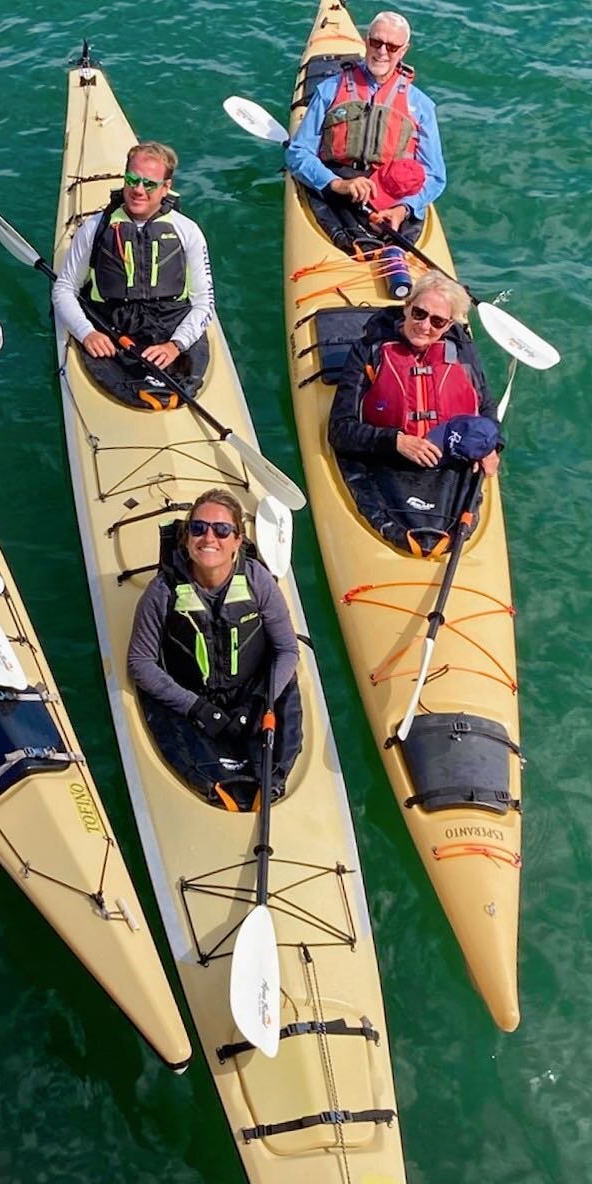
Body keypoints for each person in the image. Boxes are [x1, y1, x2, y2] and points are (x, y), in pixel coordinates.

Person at [127, 490, 302, 808]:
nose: (209, 537)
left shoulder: (258, 581)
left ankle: (268, 783)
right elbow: (141, 663)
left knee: (273, 753)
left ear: (237, 541)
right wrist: (197, 709)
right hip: (192, 699)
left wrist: (258, 704)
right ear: (186, 536)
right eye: (198, 528)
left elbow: (287, 649)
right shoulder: (162, 592)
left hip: (251, 695)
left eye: (222, 530)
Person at [52, 140, 215, 407]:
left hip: (170, 326)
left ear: (166, 188)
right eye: (132, 180)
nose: (138, 190)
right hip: (111, 327)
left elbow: (203, 303)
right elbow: (64, 289)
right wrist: (86, 333)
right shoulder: (94, 229)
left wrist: (175, 345)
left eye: (149, 184)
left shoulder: (189, 232)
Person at [286, 11, 446, 254]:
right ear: (365, 40)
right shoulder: (329, 90)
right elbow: (298, 153)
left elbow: (434, 175)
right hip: (339, 184)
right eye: (376, 42)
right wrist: (337, 184)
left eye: (392, 47)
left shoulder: (421, 106)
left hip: (390, 192)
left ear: (403, 51)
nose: (382, 51)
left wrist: (403, 209)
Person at [329, 271, 500, 475]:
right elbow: (340, 429)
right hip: (383, 462)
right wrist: (397, 441)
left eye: (437, 321)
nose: (424, 326)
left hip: (454, 464)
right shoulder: (369, 350)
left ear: (448, 326)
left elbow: (486, 407)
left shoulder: (462, 351)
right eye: (419, 313)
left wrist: (491, 447)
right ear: (407, 306)